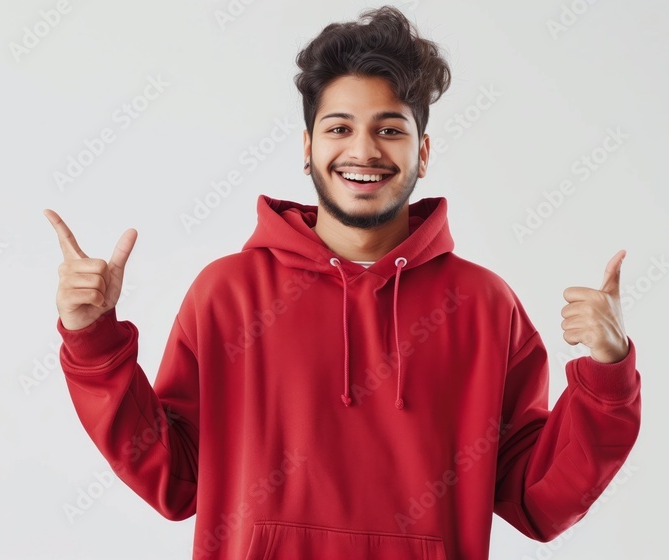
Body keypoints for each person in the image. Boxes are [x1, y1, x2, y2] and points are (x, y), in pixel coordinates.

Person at [43, 6, 641, 559]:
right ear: (307, 148)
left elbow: (540, 498)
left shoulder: (485, 305)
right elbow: (174, 479)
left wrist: (608, 378)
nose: (363, 150)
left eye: (389, 129)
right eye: (338, 128)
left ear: (423, 152)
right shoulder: (226, 293)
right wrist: (90, 338)